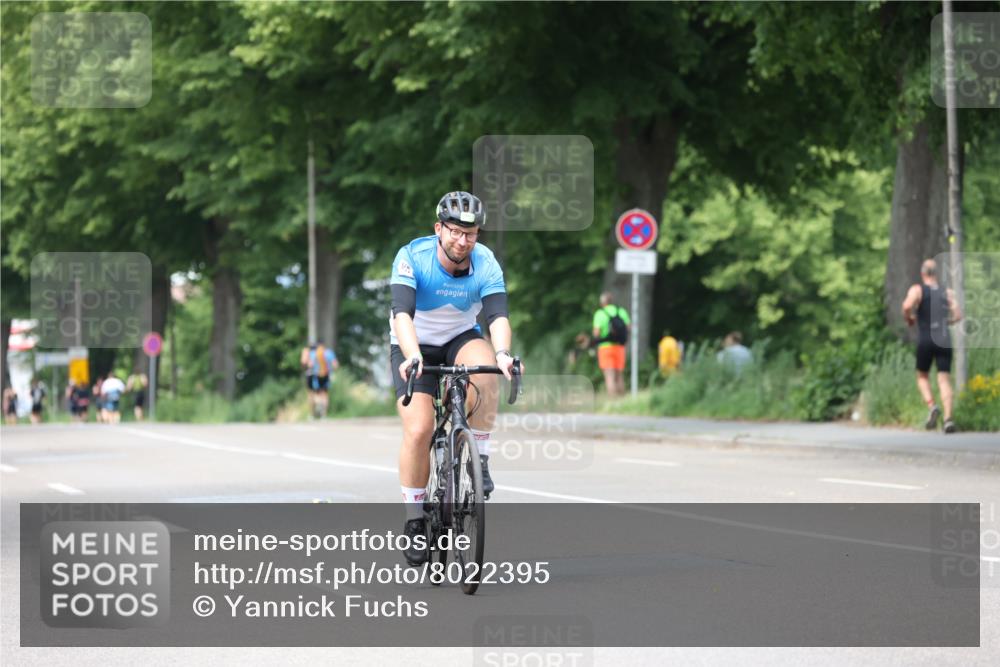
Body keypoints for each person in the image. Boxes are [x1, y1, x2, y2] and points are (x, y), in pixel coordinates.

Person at [390, 190, 519, 566]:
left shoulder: (486, 262)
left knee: (487, 370)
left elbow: (497, 316)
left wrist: (504, 354)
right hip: (412, 343)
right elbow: (402, 314)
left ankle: (479, 459)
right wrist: (413, 355)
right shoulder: (412, 257)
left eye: (471, 233)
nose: (463, 240)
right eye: (455, 231)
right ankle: (415, 521)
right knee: (418, 430)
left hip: (459, 337)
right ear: (439, 229)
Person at [902, 258, 962, 433]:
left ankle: (932, 406)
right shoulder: (947, 292)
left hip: (926, 338)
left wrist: (910, 318)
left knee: (922, 376)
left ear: (922, 273)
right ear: (936, 274)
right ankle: (949, 419)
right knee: (944, 379)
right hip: (944, 338)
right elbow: (958, 315)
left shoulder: (917, 290)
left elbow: (906, 306)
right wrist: (947, 322)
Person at [592, 292, 630, 396]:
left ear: (602, 302)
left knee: (609, 376)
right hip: (619, 347)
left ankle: (613, 402)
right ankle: (622, 402)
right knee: (619, 375)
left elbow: (596, 333)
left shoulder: (600, 313)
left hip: (605, 348)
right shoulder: (621, 311)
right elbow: (628, 328)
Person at [300, 343, 339, 418]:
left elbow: (304, 363)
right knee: (324, 394)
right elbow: (335, 365)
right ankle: (324, 415)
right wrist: (331, 372)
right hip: (326, 375)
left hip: (313, 375)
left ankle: (312, 414)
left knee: (312, 394)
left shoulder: (310, 352)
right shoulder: (328, 352)